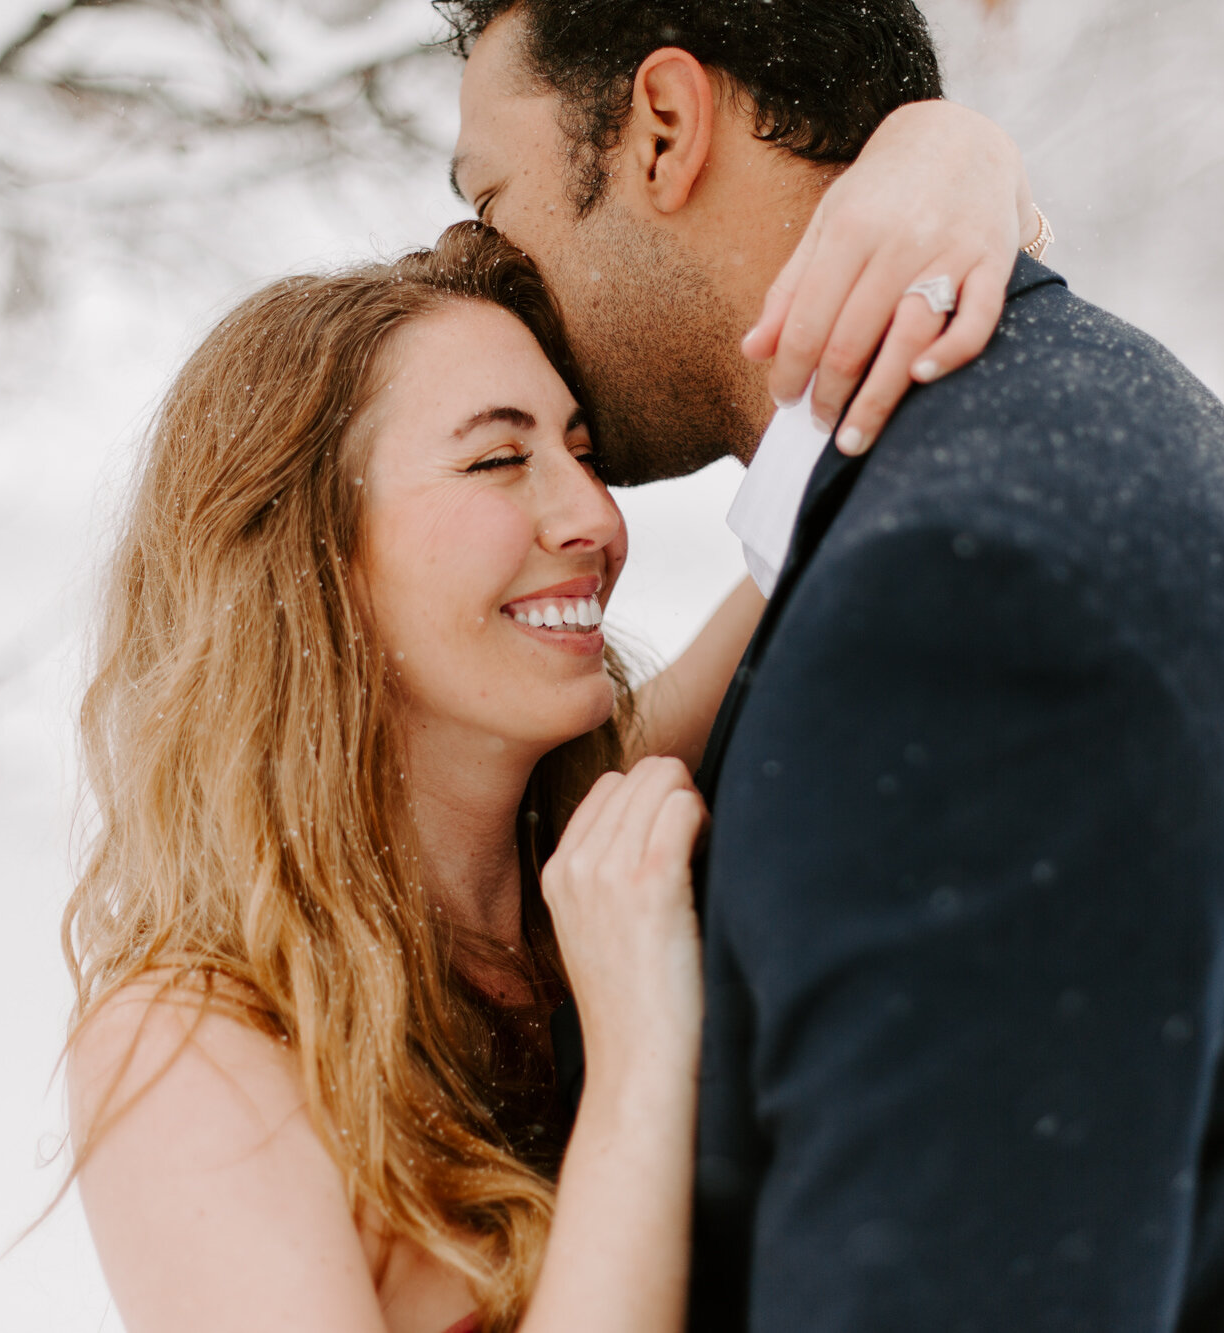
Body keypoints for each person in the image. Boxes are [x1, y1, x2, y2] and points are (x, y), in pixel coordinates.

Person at [439, 3, 1224, 1332]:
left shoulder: (963, 603)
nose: (484, 267)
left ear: (663, 130)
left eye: (492, 198)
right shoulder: (1056, 440)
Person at [62, 113, 1038, 1333]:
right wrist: (635, 1058)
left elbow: (836, 490)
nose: (592, 515)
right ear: (307, 564)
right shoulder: (194, 1051)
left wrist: (952, 158)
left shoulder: (599, 837)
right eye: (496, 461)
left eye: (578, 448)